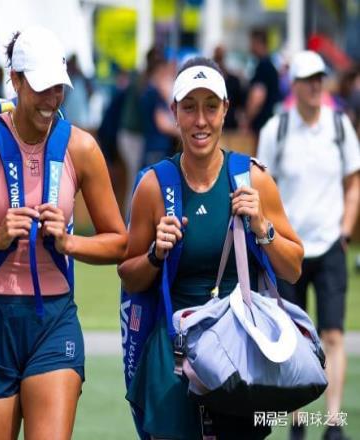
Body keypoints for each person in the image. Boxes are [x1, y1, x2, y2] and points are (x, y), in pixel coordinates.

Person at [0, 26, 127, 440]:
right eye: (42, 87)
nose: (52, 100)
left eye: (58, 88)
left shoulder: (81, 148)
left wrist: (69, 242)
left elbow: (119, 242)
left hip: (53, 320)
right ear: (15, 80)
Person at [118, 56, 304, 440]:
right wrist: (155, 254)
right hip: (175, 363)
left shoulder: (251, 178)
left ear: (225, 110)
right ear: (174, 112)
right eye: (189, 108)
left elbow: (293, 268)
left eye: (210, 107)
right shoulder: (154, 185)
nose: (200, 120)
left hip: (240, 359)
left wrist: (262, 227)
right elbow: (130, 278)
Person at [257, 50, 360, 440]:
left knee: (333, 334)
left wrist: (345, 232)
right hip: (287, 248)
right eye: (308, 80)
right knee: (292, 338)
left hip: (330, 243)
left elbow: (353, 183)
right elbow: (260, 183)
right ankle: (298, 420)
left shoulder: (339, 126)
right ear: (295, 86)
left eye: (320, 78)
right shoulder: (277, 129)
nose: (317, 86)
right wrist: (267, 235)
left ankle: (333, 421)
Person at [245, 28, 281, 138]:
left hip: (261, 126)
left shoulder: (263, 66)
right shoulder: (270, 65)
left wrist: (247, 120)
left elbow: (257, 97)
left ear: (258, 43)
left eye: (252, 43)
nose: (250, 47)